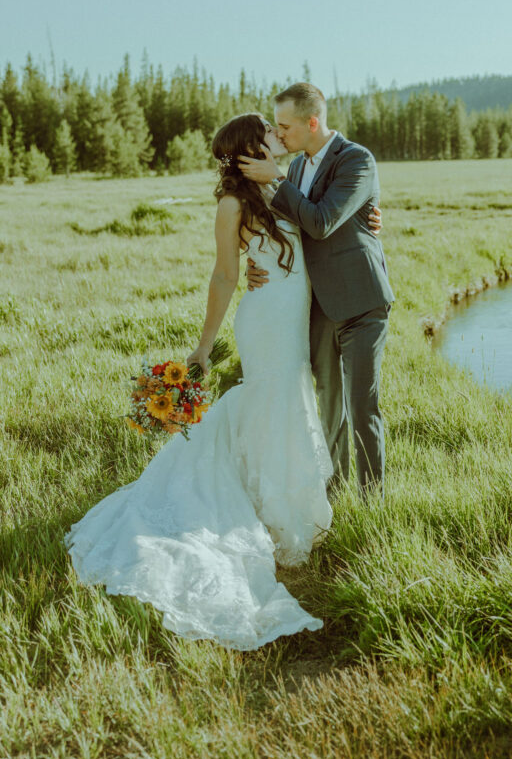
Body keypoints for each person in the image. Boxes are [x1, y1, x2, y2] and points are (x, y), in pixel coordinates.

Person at [65, 113, 344, 651]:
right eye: (268, 134)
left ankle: (274, 498)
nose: (277, 139)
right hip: (266, 318)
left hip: (294, 312)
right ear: (247, 150)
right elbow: (224, 275)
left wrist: (369, 217)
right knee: (271, 394)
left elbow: (325, 221)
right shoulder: (232, 203)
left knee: (283, 398)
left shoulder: (287, 183)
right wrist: (203, 346)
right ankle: (267, 508)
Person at [239, 82, 394, 500]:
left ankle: (372, 500)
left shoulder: (356, 160)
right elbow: (286, 225)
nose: (279, 133)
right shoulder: (296, 168)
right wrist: (256, 261)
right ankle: (335, 491)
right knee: (329, 404)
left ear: (312, 122)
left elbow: (322, 221)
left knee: (363, 406)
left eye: (285, 126)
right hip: (318, 305)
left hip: (362, 303)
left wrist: (275, 179)